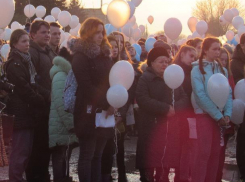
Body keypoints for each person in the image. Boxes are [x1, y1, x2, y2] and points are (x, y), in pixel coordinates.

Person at [136, 47, 187, 182]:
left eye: (167, 61)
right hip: (150, 126)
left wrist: (174, 108)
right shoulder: (145, 78)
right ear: (152, 63)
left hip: (169, 127)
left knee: (165, 162)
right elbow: (143, 99)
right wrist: (165, 109)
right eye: (161, 61)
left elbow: (184, 98)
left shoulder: (173, 77)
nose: (165, 64)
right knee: (149, 160)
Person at [72, 17, 114, 182]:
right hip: (87, 111)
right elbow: (86, 86)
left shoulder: (105, 55)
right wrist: (106, 103)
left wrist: (113, 103)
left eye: (102, 32)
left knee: (98, 155)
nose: (100, 35)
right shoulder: (80, 56)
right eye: (97, 32)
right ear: (88, 32)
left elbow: (111, 81)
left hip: (106, 108)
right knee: (87, 155)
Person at [5, 29, 45, 181]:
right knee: (19, 153)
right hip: (20, 113)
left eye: (28, 41)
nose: (27, 44)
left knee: (25, 152)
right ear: (14, 44)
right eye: (23, 41)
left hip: (27, 113)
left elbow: (33, 84)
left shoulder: (26, 61)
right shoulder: (14, 64)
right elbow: (24, 88)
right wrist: (40, 99)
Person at [191, 37, 232, 182]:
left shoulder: (222, 69)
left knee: (216, 153)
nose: (217, 51)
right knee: (204, 153)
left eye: (219, 48)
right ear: (205, 50)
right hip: (204, 116)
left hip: (220, 118)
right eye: (214, 49)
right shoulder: (197, 70)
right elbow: (200, 95)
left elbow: (228, 93)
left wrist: (227, 114)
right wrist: (217, 115)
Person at [25, 20, 56, 182]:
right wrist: (47, 95)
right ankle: (35, 176)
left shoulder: (50, 51)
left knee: (47, 145)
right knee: (38, 145)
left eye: (48, 32)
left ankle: (44, 174)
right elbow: (32, 80)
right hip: (39, 107)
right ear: (33, 34)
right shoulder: (32, 52)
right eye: (43, 32)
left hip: (52, 106)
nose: (47, 35)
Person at [49, 47, 78, 181]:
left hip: (62, 123)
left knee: (63, 155)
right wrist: (71, 124)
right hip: (61, 124)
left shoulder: (65, 74)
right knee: (59, 156)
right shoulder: (61, 75)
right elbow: (62, 104)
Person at [173, 45, 197, 182]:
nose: (193, 59)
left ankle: (185, 175)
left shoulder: (193, 71)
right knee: (182, 146)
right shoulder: (176, 70)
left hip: (191, 113)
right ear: (182, 54)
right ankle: (180, 176)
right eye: (191, 56)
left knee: (189, 146)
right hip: (181, 113)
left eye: (195, 57)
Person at [216, 47, 235, 182]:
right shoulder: (212, 75)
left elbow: (232, 94)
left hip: (227, 117)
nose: (223, 62)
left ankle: (218, 176)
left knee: (222, 150)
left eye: (225, 60)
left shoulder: (229, 75)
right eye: (220, 59)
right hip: (215, 117)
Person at [231, 33, 245, 181]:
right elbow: (239, 83)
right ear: (242, 46)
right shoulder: (236, 62)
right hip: (241, 105)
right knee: (242, 139)